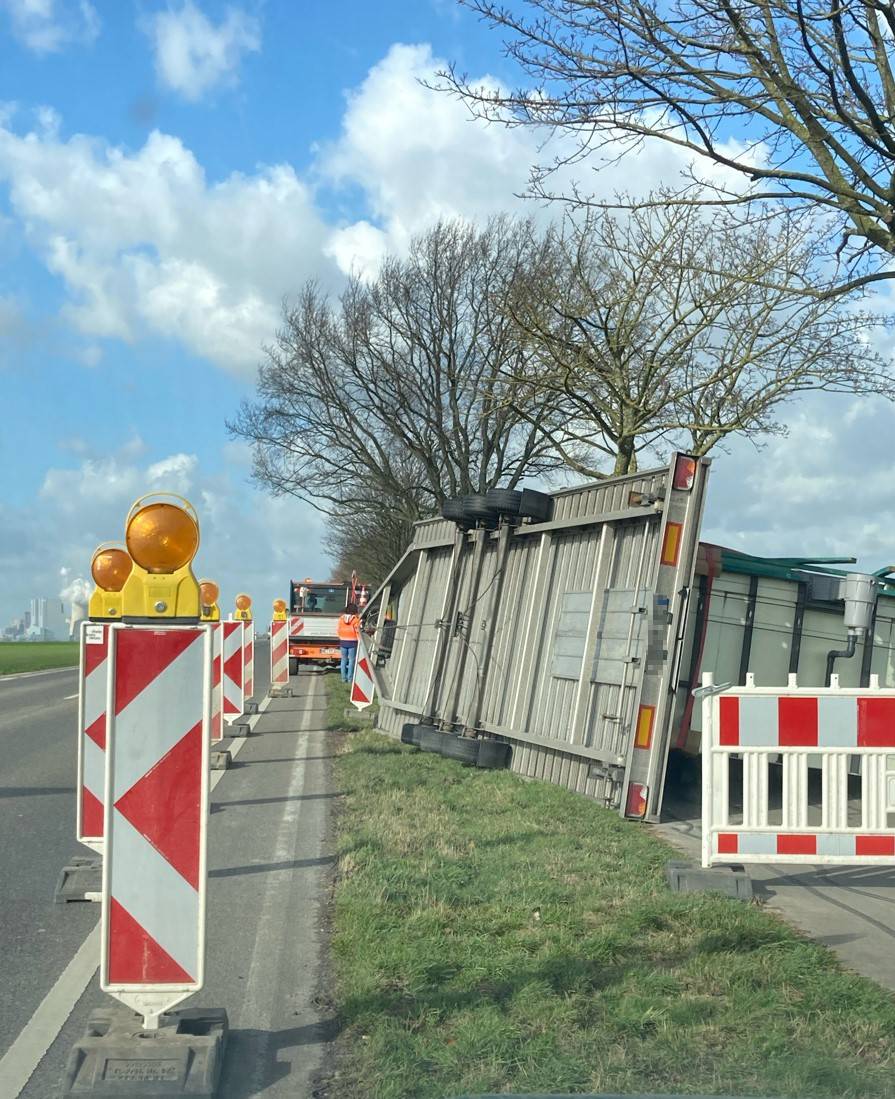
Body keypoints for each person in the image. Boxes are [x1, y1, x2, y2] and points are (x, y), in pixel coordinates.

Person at [337, 601, 361, 683]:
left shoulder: (341, 619)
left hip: (343, 641)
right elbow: (357, 631)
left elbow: (338, 629)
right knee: (351, 660)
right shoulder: (355, 619)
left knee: (343, 660)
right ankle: (350, 678)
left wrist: (340, 637)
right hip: (353, 641)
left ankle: (343, 678)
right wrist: (359, 639)